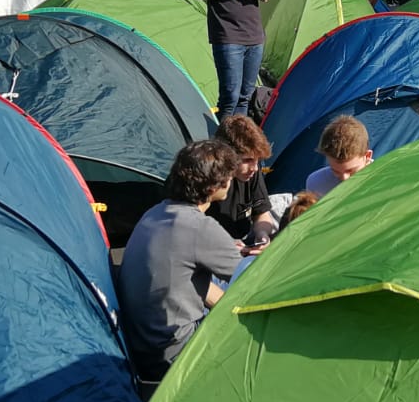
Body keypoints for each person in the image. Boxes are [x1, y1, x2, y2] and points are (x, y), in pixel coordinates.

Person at [118, 138, 246, 379]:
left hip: (141, 345)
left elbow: (184, 277)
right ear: (212, 187)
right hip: (175, 351)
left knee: (214, 283)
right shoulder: (200, 227)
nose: (231, 180)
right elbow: (259, 279)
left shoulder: (156, 212)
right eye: (228, 176)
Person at [210, 115, 294, 246]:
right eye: (247, 160)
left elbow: (261, 213)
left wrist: (262, 234)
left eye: (258, 161)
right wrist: (227, 245)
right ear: (225, 155)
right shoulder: (204, 179)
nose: (254, 168)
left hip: (243, 242)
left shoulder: (251, 173)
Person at [305, 115, 373, 198]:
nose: (345, 179)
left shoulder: (385, 180)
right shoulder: (316, 184)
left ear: (367, 156)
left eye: (351, 171)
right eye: (335, 171)